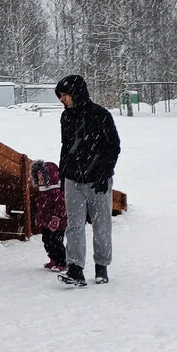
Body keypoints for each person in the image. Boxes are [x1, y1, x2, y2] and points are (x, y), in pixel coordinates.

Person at [54, 74, 121, 288]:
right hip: (73, 180)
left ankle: (101, 266)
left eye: (65, 95)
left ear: (76, 93)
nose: (62, 99)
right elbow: (66, 147)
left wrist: (103, 172)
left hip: (98, 181)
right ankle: (75, 270)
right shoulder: (66, 118)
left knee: (101, 225)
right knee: (74, 226)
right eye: (60, 96)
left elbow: (113, 147)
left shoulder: (101, 115)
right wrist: (63, 174)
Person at [30, 159, 67, 272]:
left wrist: (56, 218)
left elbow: (60, 206)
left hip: (58, 224)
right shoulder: (43, 192)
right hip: (46, 223)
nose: (40, 181)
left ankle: (62, 262)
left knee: (56, 242)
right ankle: (53, 259)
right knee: (47, 241)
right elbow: (41, 207)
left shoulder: (56, 192)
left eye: (42, 178)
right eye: (38, 179)